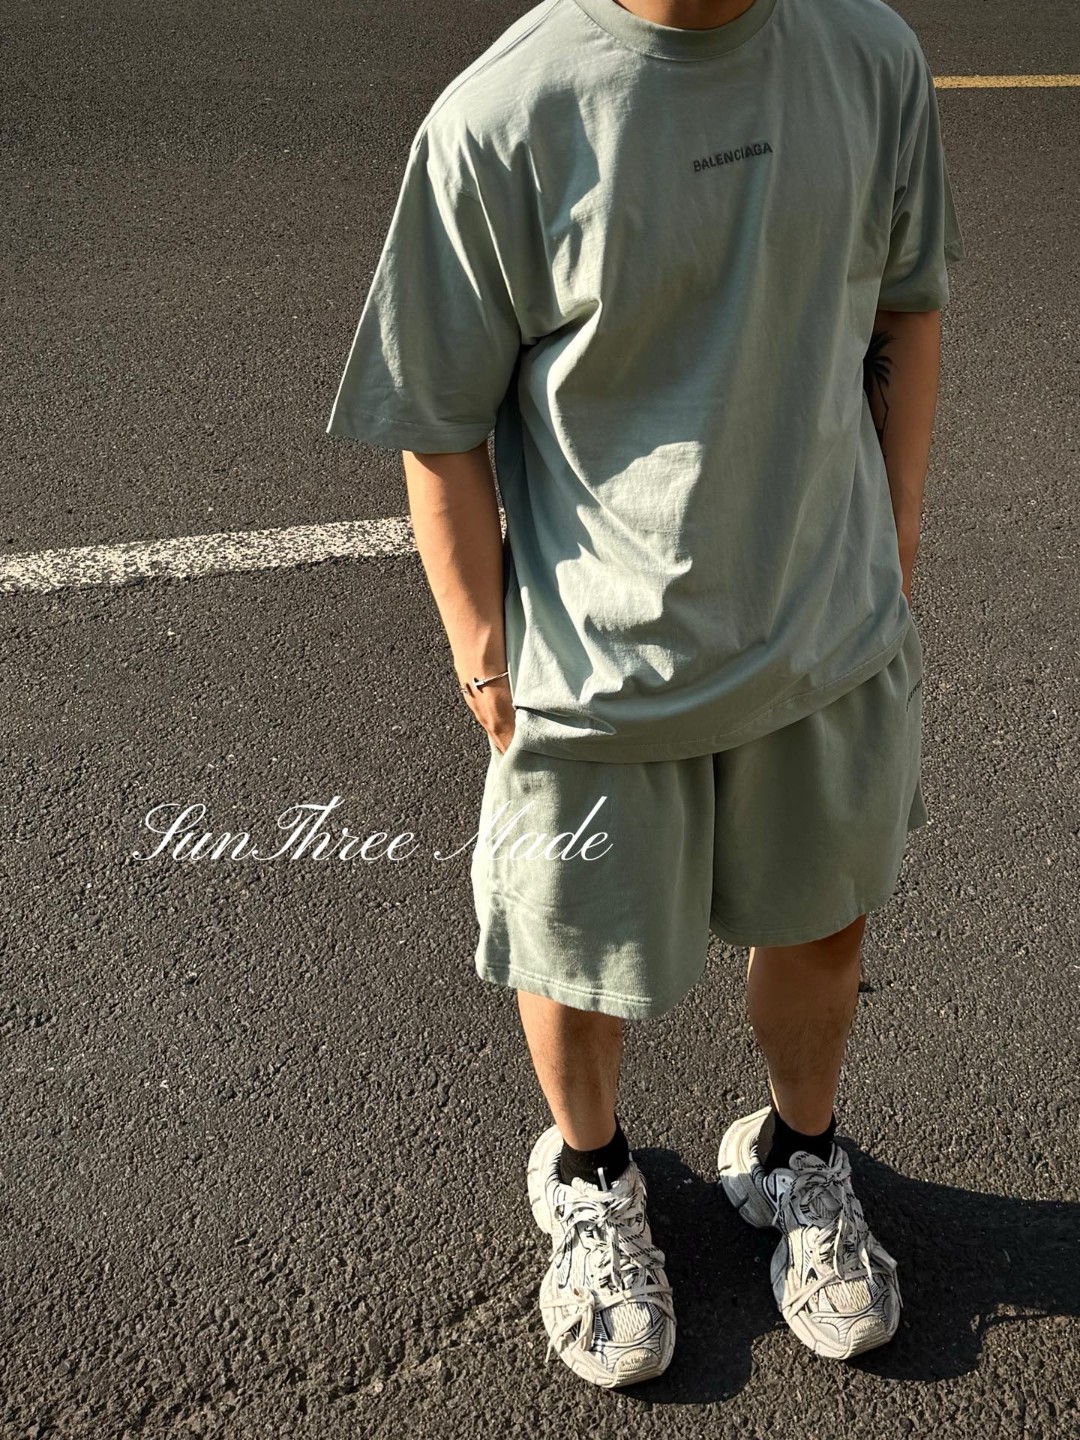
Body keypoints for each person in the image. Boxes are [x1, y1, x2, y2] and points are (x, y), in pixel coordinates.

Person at [326, 0, 965, 1387]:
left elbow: (906, 303)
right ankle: (591, 1176)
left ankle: (796, 1156)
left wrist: (897, 539)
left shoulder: (871, 57)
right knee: (570, 961)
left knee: (825, 934)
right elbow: (436, 421)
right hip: (599, 675)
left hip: (823, 639)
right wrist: (484, 660)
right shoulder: (500, 120)